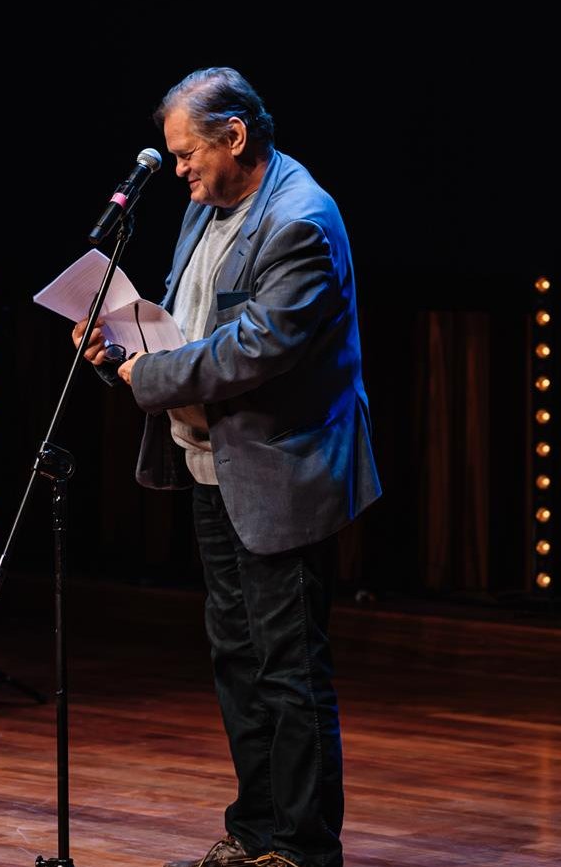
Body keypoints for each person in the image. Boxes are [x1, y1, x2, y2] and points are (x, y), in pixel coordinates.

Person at [72, 67, 380, 867]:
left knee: (288, 667)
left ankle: (303, 849)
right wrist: (117, 350)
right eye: (173, 157)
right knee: (238, 659)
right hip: (215, 465)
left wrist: (152, 379)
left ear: (234, 137)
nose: (178, 171)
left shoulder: (300, 220)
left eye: (186, 154)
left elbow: (257, 350)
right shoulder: (205, 207)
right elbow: (187, 322)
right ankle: (255, 835)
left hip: (284, 473)